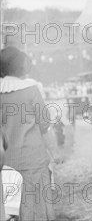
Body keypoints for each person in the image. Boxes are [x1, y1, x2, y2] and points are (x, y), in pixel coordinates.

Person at [0, 46, 58, 220]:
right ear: (20, 66)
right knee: (36, 206)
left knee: (11, 208)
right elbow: (45, 124)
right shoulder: (31, 89)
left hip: (7, 162)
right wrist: (54, 153)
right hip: (33, 160)